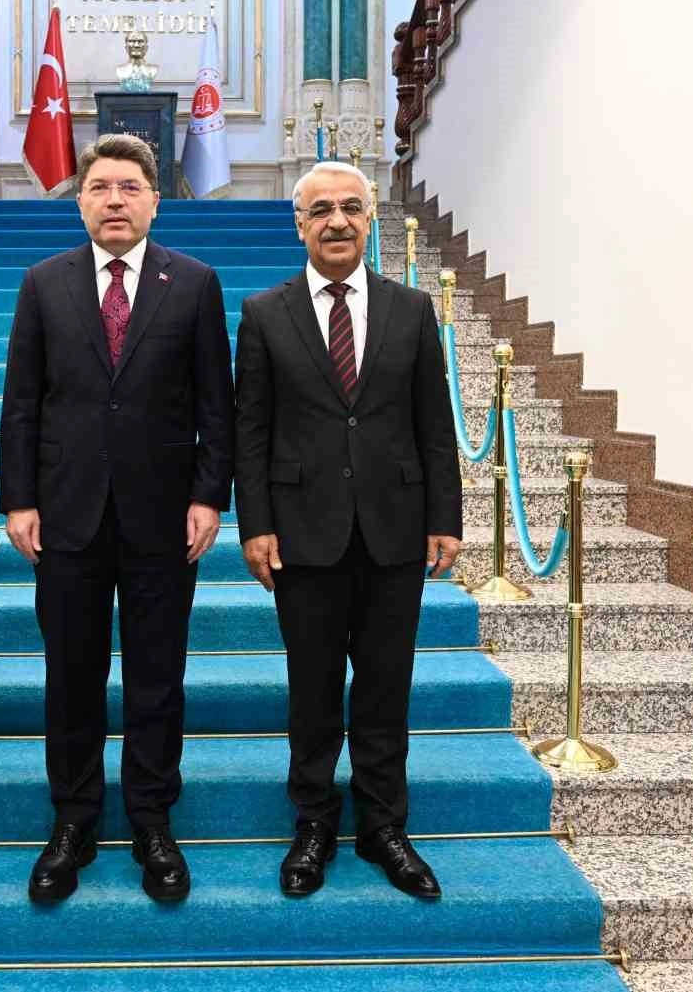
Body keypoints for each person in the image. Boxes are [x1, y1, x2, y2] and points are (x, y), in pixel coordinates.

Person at [0, 133, 234, 904]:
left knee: (156, 677)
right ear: (80, 201)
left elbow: (216, 404)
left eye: (130, 187)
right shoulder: (44, 283)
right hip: (66, 516)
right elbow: (23, 401)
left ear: (155, 201)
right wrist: (20, 499)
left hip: (163, 518)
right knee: (71, 675)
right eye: (100, 187)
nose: (115, 200)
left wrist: (209, 495)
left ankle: (151, 819)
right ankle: (73, 819)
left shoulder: (193, 283)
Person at [233, 161, 462, 900]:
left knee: (386, 685)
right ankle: (313, 820)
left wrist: (445, 517)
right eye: (321, 209)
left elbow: (434, 422)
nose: (337, 221)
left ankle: (384, 825)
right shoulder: (265, 313)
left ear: (370, 220)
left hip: (396, 529)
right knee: (313, 687)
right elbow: (251, 429)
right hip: (303, 533)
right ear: (299, 225)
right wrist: (256, 523)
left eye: (351, 208)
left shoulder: (412, 309)